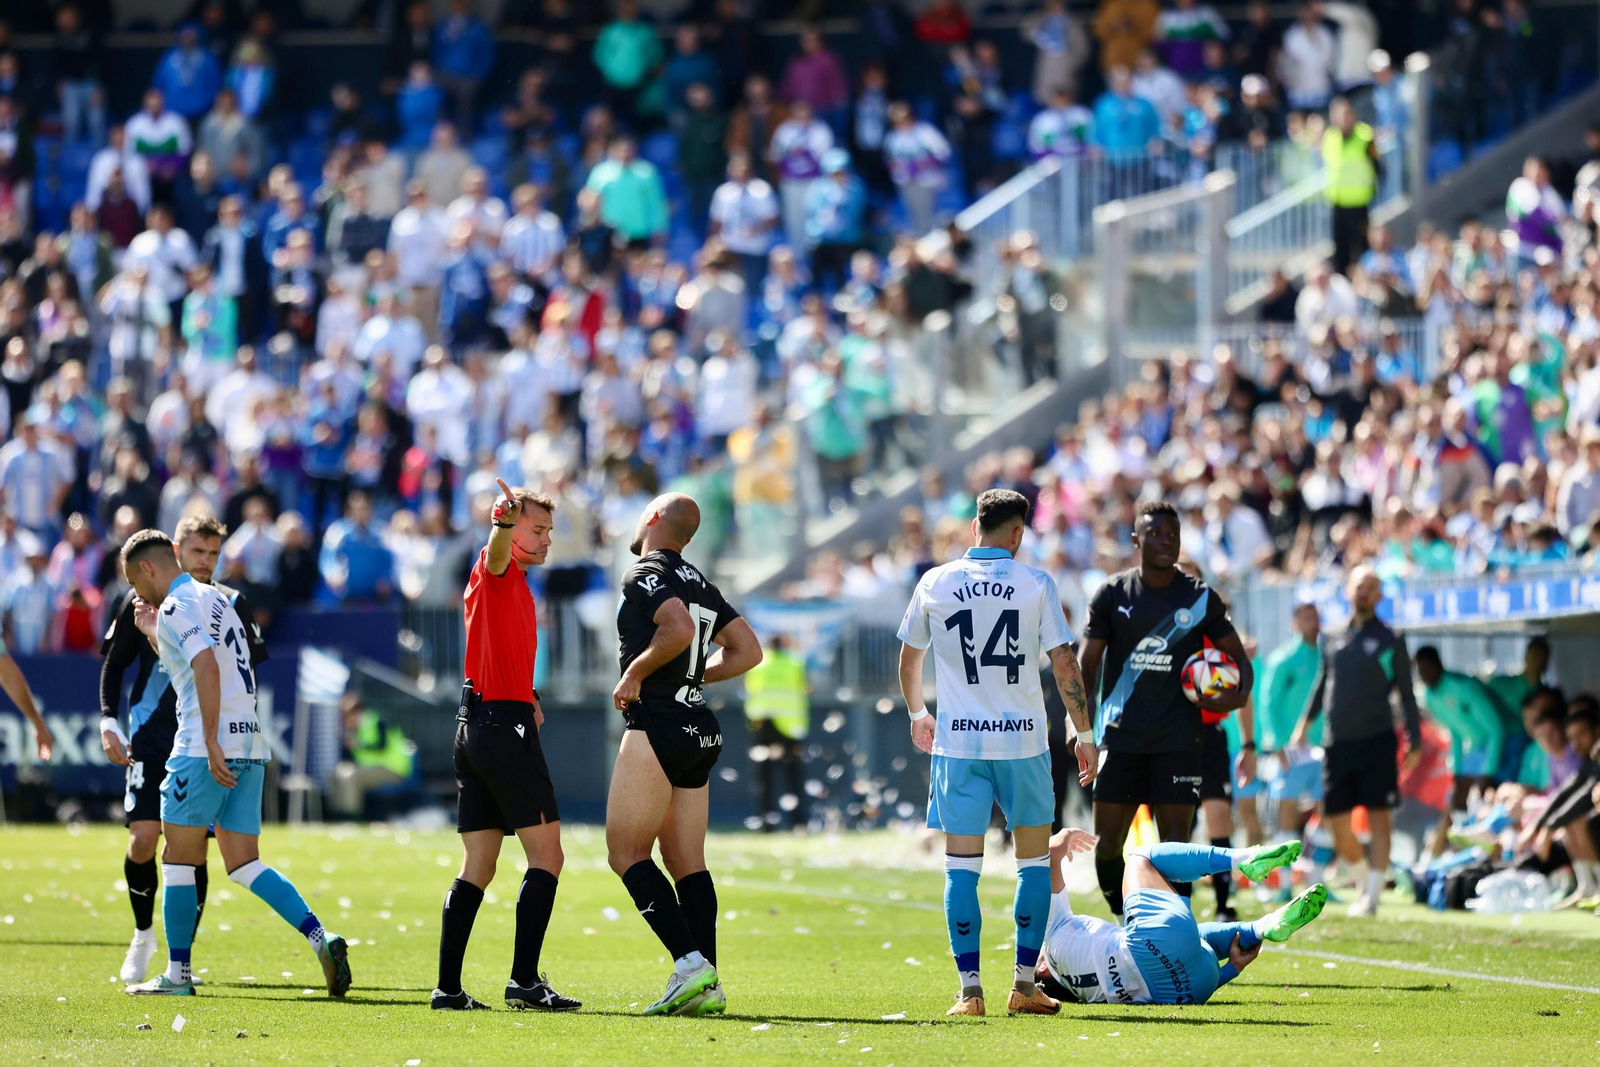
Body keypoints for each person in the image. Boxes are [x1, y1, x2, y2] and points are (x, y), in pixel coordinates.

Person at [118, 529, 348, 998]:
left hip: (204, 749)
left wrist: (207, 737)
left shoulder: (177, 606)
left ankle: (178, 975)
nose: (135, 595)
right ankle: (320, 936)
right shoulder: (218, 600)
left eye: (134, 582)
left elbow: (204, 666)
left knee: (179, 858)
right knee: (244, 863)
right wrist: (149, 633)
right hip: (250, 743)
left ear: (148, 568)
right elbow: (196, 661)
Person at [897, 488, 1097, 1017]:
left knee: (960, 870)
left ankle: (969, 992)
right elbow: (1063, 662)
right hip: (1023, 744)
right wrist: (1085, 732)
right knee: (1033, 865)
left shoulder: (935, 581)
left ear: (974, 529)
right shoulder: (1035, 583)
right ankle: (1025, 985)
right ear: (1017, 534)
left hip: (959, 745)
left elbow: (909, 659)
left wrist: (919, 715)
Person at [606, 492, 762, 1017]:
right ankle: (708, 980)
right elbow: (748, 650)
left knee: (625, 852)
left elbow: (678, 629)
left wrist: (634, 674)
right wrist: (697, 675)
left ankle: (690, 965)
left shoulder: (643, 572)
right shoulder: (699, 580)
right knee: (686, 861)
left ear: (651, 518)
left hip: (658, 723)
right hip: (698, 726)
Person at [101, 515, 269, 984]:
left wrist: (220, 736)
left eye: (214, 555)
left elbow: (222, 669)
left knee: (190, 852)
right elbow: (117, 665)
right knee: (146, 841)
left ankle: (180, 965)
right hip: (158, 735)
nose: (205, 561)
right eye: (198, 552)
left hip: (201, 739)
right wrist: (108, 720)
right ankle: (144, 935)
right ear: (176, 551)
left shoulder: (218, 601)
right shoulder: (154, 600)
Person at [433, 479, 579, 1012]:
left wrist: (529, 694)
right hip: (502, 731)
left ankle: (447, 990)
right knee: (548, 855)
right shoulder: (495, 568)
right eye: (536, 529)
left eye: (548, 530)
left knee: (480, 863)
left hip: (477, 726)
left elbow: (502, 656)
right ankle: (523, 981)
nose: (546, 540)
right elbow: (494, 555)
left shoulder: (515, 583)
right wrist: (500, 522)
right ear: (511, 527)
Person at [1076, 500, 1253, 921]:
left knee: (1176, 847)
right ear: (1135, 539)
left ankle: (1175, 931)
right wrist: (1078, 725)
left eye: (1171, 534)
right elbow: (1084, 668)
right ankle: (1128, 921)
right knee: (1107, 847)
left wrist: (1235, 696)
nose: (1164, 541)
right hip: (1120, 738)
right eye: (1154, 533)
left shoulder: (1199, 598)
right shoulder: (1112, 594)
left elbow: (1240, 664)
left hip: (1178, 739)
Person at [1035, 829, 1327, 1005]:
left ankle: (1262, 927)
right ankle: (1241, 859)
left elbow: (1168, 973)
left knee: (1189, 938)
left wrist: (1232, 970)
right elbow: (1049, 852)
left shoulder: (1088, 995)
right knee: (1140, 857)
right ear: (1045, 970)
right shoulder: (1052, 941)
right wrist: (1066, 835)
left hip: (1191, 987)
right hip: (1151, 945)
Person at [1291, 565, 1423, 917]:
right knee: (1335, 822)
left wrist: (1415, 738)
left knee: (1380, 818)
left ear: (1379, 595)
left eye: (1371, 587)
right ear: (1347, 591)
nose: (1364, 592)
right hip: (1337, 743)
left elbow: (1407, 694)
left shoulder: (1391, 637)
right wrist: (1305, 722)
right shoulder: (1331, 635)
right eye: (1358, 586)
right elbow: (1322, 682)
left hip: (1378, 740)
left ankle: (1374, 897)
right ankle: (1365, 881)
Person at [1414, 645, 1507, 858]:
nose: (1424, 675)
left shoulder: (1462, 687)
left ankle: (1482, 853)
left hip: (1501, 744)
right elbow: (1455, 733)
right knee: (1457, 797)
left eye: (1426, 668)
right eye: (1419, 670)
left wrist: (1487, 771)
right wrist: (1456, 769)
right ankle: (1458, 853)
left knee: (1484, 798)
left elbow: (1496, 728)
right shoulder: (1429, 696)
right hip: (1474, 750)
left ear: (1438, 665)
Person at [1252, 603, 1325, 840]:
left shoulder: (1327, 656)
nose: (1313, 623)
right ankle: (1284, 876)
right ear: (1294, 623)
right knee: (1287, 808)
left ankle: (1316, 871)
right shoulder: (1283, 659)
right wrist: (1277, 743)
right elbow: (1267, 702)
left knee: (1327, 810)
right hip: (1290, 749)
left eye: (1315, 618)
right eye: (1306, 618)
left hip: (1323, 747)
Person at [742, 633, 810, 831]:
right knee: (794, 777)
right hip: (790, 727)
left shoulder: (758, 665)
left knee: (764, 779)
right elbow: (805, 688)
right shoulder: (795, 663)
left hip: (763, 725)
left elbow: (751, 690)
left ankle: (765, 823)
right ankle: (798, 823)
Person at [330, 692, 415, 818]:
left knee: (350, 777)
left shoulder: (378, 721)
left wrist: (359, 745)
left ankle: (351, 818)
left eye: (347, 716)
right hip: (372, 769)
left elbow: (381, 746)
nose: (345, 720)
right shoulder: (354, 729)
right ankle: (336, 817)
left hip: (393, 769)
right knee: (336, 773)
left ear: (357, 712)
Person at [1323, 97, 1377, 276]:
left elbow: (1377, 165)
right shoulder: (1330, 137)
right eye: (1339, 115)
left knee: (1363, 249)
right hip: (1338, 203)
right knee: (1340, 251)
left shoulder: (1365, 136)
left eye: (1346, 114)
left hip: (1359, 204)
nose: (1343, 119)